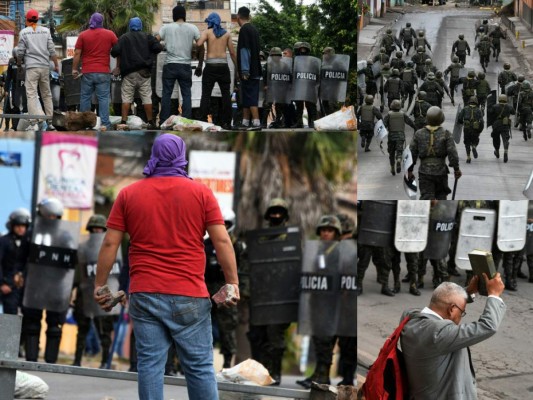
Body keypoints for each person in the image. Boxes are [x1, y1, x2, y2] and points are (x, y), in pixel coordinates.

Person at [94, 133, 239, 400]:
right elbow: (221, 240)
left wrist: (100, 285)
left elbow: (109, 244)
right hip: (190, 294)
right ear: (182, 157)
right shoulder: (201, 193)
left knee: (150, 365)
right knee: (199, 367)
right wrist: (233, 283)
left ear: (154, 155)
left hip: (145, 292)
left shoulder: (128, 194)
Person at [400, 277, 506, 399]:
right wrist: (494, 295)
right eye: (462, 312)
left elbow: (442, 299)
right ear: (451, 309)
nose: (461, 317)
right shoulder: (439, 334)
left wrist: (468, 291)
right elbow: (488, 326)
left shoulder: (409, 317)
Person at [296, 215, 343, 389]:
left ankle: (322, 377)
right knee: (318, 340)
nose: (325, 233)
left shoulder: (338, 251)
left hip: (332, 303)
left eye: (329, 230)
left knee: (325, 341)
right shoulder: (319, 251)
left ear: (336, 233)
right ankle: (317, 375)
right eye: (323, 230)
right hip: (318, 301)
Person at [72, 214, 116, 369]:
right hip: (84, 294)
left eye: (99, 229)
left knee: (105, 330)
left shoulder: (111, 248)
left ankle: (105, 361)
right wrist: (73, 290)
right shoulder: (83, 248)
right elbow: (77, 272)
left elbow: (115, 271)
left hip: (103, 292)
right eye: (94, 229)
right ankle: (77, 359)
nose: (97, 231)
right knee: (82, 329)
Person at [204, 208, 242, 369]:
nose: (223, 227)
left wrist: (239, 289)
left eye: (226, 224)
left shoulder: (236, 245)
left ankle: (227, 363)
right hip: (205, 289)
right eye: (221, 223)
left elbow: (243, 269)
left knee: (228, 326)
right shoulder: (204, 244)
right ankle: (203, 359)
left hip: (226, 287)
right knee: (201, 325)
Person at [111, 17, 162, 129]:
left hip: (128, 74)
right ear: (140, 26)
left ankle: (124, 122)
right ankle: (151, 122)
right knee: (146, 98)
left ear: (130, 26)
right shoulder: (147, 36)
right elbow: (158, 48)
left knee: (126, 98)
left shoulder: (124, 37)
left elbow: (114, 52)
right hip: (144, 74)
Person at [156, 6, 203, 123]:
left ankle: (163, 121)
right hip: (185, 66)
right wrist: (200, 65)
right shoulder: (193, 28)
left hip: (170, 65)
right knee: (186, 94)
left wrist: (161, 47)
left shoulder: (166, 28)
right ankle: (186, 121)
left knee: (166, 94)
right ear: (184, 15)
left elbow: (155, 40)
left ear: (174, 15)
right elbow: (201, 46)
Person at [72, 13, 118, 131]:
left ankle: (84, 124)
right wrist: (118, 67)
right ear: (102, 22)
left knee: (85, 97)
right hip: (103, 71)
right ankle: (105, 124)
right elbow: (119, 50)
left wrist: (74, 69)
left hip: (87, 72)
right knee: (103, 98)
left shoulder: (83, 35)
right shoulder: (110, 34)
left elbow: (77, 53)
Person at [16, 9, 59, 131]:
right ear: (37, 20)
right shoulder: (45, 31)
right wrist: (56, 64)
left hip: (31, 68)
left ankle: (34, 122)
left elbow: (20, 52)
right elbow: (52, 50)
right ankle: (50, 123)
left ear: (27, 20)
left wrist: (19, 65)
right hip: (45, 67)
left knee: (31, 95)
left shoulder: (24, 32)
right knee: (46, 94)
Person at [408, 106, 461, 200]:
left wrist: (410, 170)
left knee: (426, 198)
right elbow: (452, 153)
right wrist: (456, 169)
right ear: (441, 119)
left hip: (424, 172)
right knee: (441, 197)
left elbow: (412, 153)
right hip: (441, 171)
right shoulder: (446, 133)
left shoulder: (418, 134)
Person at [196, 12, 237, 130]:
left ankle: (203, 121)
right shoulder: (227, 34)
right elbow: (233, 53)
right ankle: (227, 123)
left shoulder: (207, 32)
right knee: (226, 96)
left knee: (205, 95)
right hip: (223, 66)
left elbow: (198, 44)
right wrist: (237, 69)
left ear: (210, 22)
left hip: (210, 66)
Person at [236, 6, 262, 130]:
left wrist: (245, 70)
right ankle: (245, 122)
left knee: (251, 97)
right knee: (247, 96)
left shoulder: (244, 30)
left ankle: (256, 122)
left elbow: (245, 50)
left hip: (249, 70)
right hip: (256, 69)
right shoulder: (254, 30)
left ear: (238, 16)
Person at [0, 209, 31, 315]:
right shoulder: (4, 241)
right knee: (10, 323)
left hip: (27, 289)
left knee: (28, 323)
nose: (21, 229)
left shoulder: (30, 243)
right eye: (18, 225)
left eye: (23, 226)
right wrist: (2, 283)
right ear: (12, 226)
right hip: (8, 286)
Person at [384, 99, 415, 176]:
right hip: (400, 136)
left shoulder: (389, 115)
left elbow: (384, 125)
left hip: (391, 137)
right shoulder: (402, 114)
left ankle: (392, 167)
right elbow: (410, 122)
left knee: (391, 153)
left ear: (392, 106)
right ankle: (399, 159)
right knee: (399, 151)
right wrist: (415, 127)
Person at [458, 96, 484, 163]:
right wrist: (480, 129)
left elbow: (460, 118)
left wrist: (461, 122)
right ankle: (474, 146)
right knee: (475, 140)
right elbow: (481, 121)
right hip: (475, 129)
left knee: (467, 142)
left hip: (467, 128)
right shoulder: (478, 110)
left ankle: (468, 157)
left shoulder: (465, 109)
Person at [489, 94, 515, 163]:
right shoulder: (509, 106)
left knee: (496, 139)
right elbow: (514, 112)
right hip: (505, 124)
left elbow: (490, 112)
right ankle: (505, 150)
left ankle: (497, 151)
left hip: (496, 124)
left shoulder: (495, 106)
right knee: (505, 139)